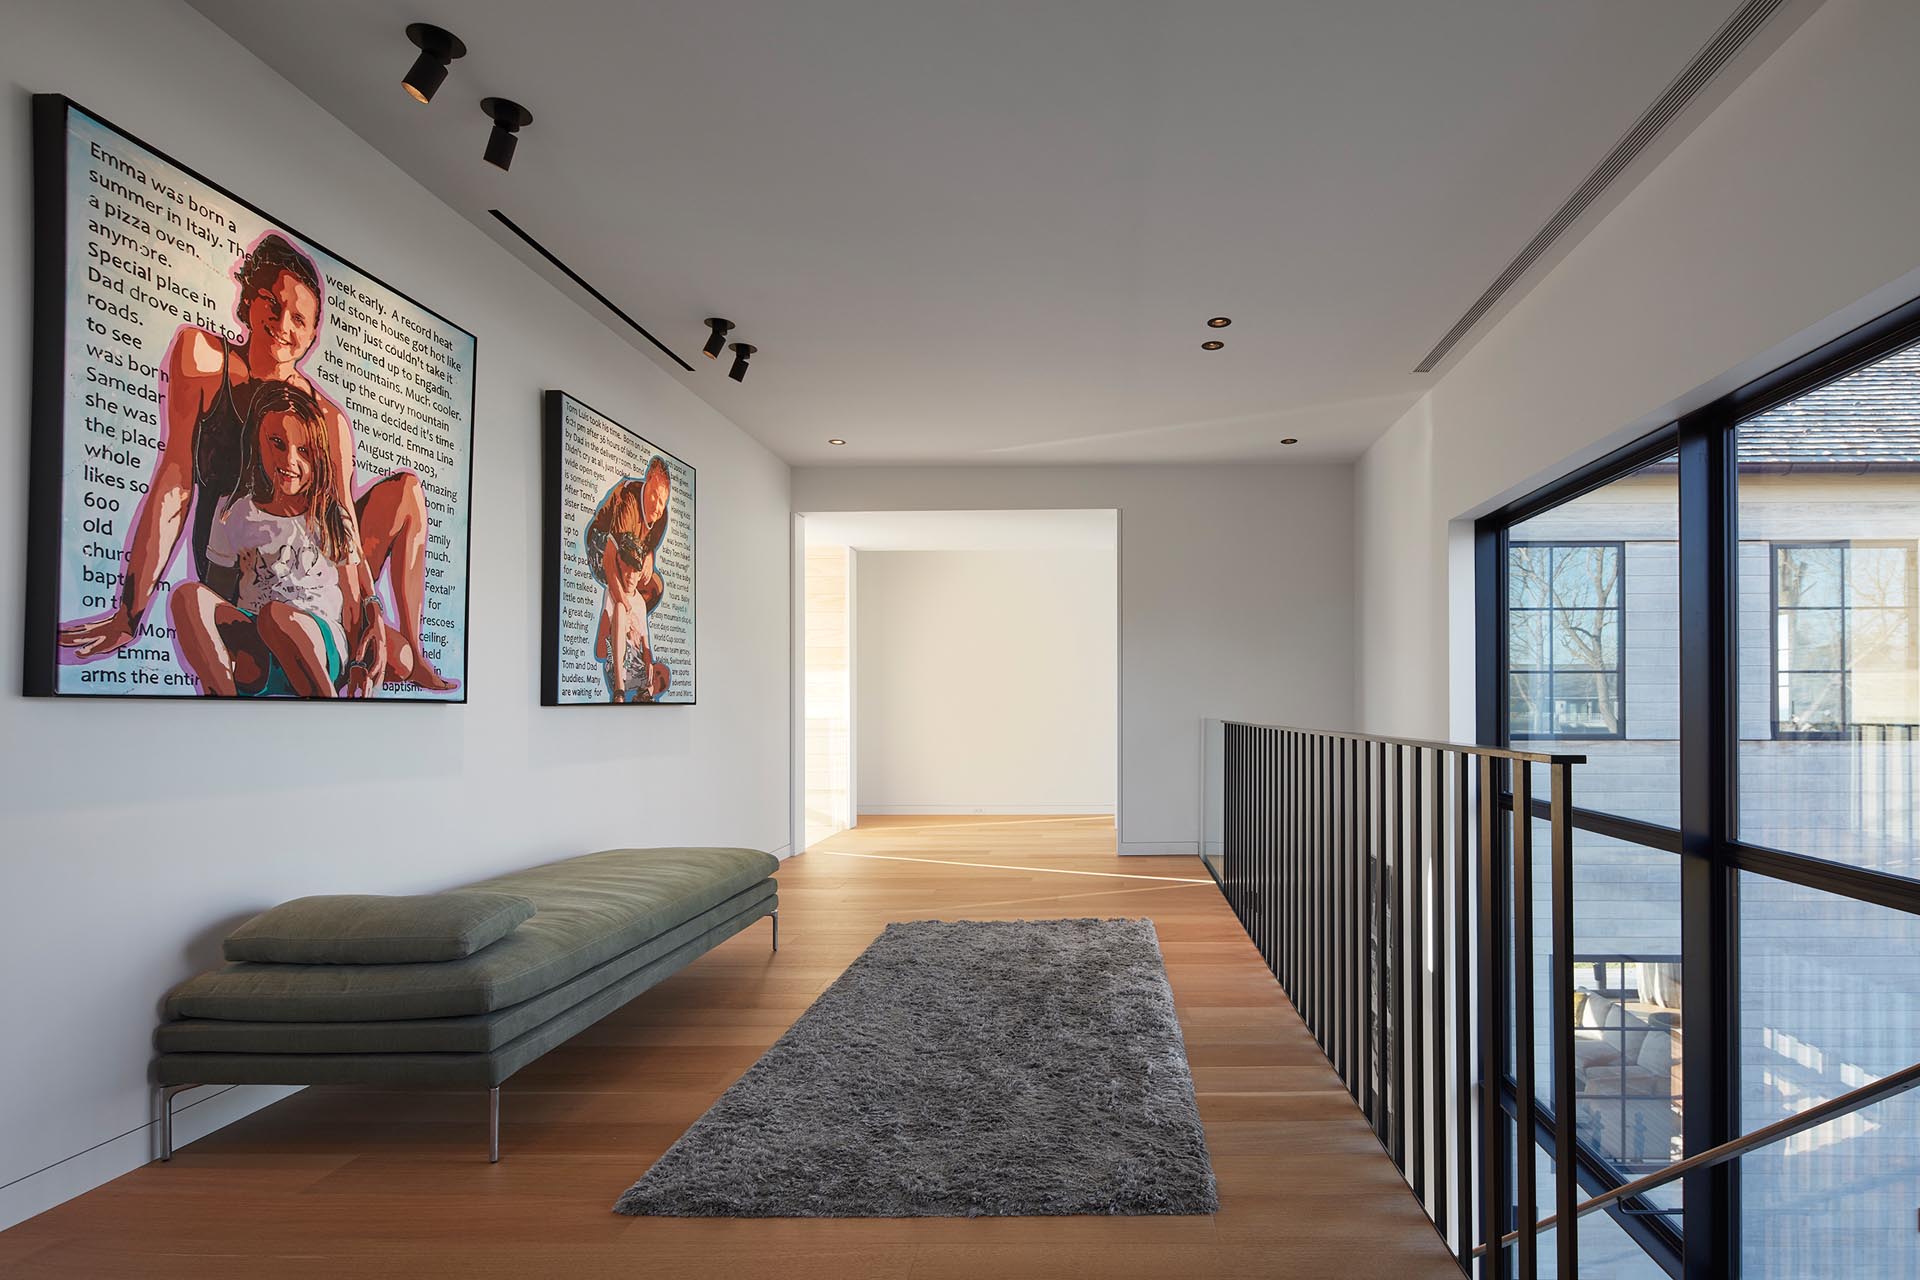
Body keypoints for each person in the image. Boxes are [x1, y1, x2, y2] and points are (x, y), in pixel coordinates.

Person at [56, 232, 457, 693]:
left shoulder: (326, 418)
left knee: (405, 496)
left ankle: (409, 654)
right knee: (229, 614)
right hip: (243, 571)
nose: (282, 323)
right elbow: (175, 484)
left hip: (311, 569)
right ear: (248, 300)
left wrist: (367, 607)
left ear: (311, 334)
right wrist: (129, 613)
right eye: (271, 302)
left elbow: (341, 523)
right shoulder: (205, 361)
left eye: (299, 318)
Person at [170, 383, 387, 696]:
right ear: (257, 441)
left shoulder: (331, 517)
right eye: (277, 443)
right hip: (259, 646)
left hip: (322, 642)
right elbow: (217, 593)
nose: (290, 461)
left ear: (319, 458)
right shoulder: (234, 513)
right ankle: (222, 705)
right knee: (187, 596)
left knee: (278, 617)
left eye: (304, 452)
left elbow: (352, 603)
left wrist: (356, 664)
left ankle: (327, 713)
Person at [586, 457, 673, 702]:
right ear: (647, 483)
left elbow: (646, 548)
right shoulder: (628, 501)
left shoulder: (661, 516)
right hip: (602, 546)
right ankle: (615, 625)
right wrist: (622, 599)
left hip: (630, 556)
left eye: (662, 501)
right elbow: (611, 557)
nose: (657, 507)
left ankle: (625, 630)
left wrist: (649, 555)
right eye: (654, 497)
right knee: (622, 601)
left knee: (655, 585)